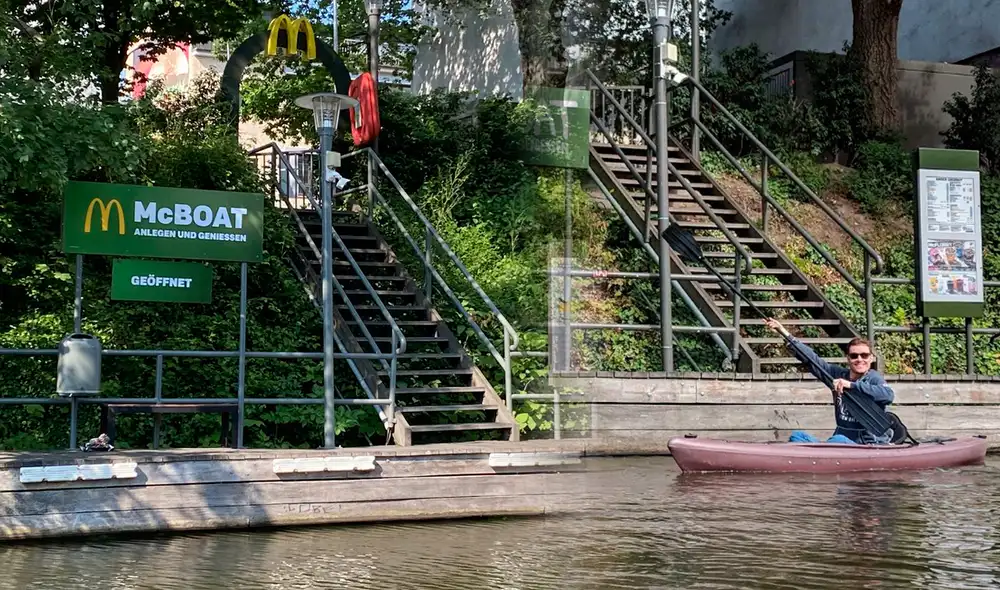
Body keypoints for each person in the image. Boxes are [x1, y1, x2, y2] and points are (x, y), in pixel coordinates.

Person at [763, 318, 895, 445]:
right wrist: (783, 331)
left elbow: (888, 395)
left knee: (837, 440)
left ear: (871, 358)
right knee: (797, 436)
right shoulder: (837, 375)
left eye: (864, 355)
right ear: (848, 358)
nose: (859, 359)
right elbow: (812, 359)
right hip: (841, 439)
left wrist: (851, 385)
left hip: (868, 442)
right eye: (854, 356)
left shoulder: (874, 378)